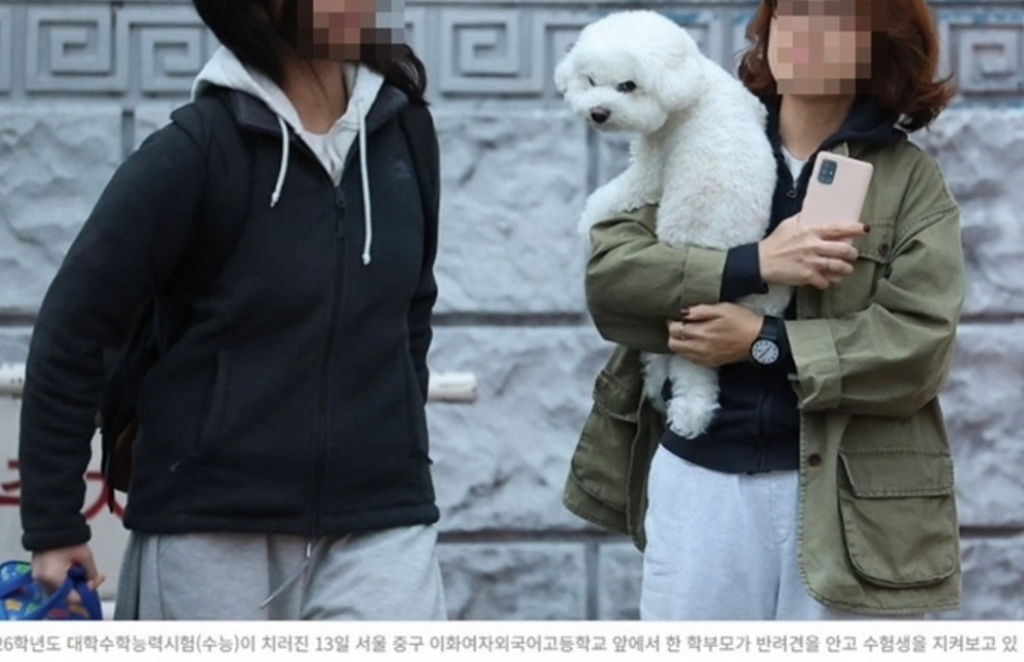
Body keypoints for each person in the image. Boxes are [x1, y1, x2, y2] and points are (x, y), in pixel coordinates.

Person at [19, 0, 445, 620]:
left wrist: (392, 442)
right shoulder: (193, 152)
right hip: (210, 529)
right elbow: (74, 331)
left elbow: (412, 312)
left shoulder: (405, 133)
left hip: (382, 524)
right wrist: (54, 526)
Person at [564, 0, 964, 619]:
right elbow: (613, 281)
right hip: (701, 480)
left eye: (833, 21)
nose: (803, 33)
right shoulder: (699, 131)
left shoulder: (910, 181)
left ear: (876, 47)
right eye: (790, 13)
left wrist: (763, 340)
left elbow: (919, 345)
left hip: (848, 507)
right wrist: (752, 264)